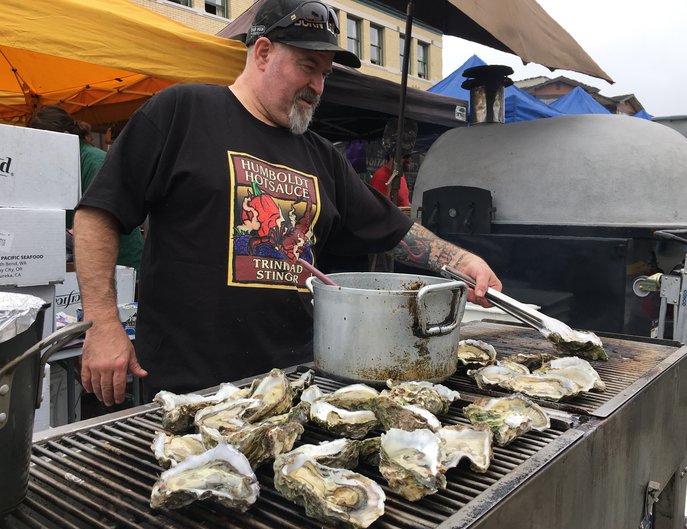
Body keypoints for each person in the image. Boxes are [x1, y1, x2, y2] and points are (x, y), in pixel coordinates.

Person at [72, 0, 502, 406]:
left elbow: (393, 229)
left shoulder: (322, 156)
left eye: (325, 74)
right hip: (189, 388)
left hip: (295, 383)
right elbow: (98, 215)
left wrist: (461, 260)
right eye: (307, 66)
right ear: (262, 53)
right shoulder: (181, 112)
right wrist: (104, 324)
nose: (318, 86)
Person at [27, 106, 144, 272]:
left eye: (42, 144)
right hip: (86, 260)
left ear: (65, 137)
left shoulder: (96, 162)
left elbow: (101, 217)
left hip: (119, 262)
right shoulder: (56, 164)